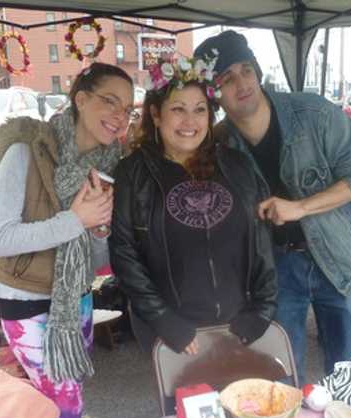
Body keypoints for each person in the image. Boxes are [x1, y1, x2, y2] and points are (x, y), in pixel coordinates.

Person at [195, 31, 351, 385]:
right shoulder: (219, 144)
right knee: (280, 377)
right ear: (214, 94)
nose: (241, 83)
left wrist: (301, 207)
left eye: (246, 70)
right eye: (226, 79)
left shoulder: (314, 114)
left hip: (336, 261)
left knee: (346, 376)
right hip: (277, 270)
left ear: (258, 71)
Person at [0, 63, 134, 418]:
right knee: (64, 402)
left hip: (77, 298)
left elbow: (95, 258)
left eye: (128, 109)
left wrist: (100, 231)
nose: (119, 116)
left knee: (62, 396)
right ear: (81, 99)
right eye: (110, 101)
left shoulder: (105, 166)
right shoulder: (25, 152)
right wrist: (76, 220)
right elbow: (0, 239)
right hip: (26, 300)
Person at [109, 55, 276, 355]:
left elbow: (262, 243)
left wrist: (263, 310)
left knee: (245, 400)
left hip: (239, 324)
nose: (190, 122)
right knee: (186, 402)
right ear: (156, 115)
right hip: (175, 333)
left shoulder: (235, 166)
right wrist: (163, 319)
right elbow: (124, 254)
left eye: (200, 110)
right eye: (178, 109)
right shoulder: (133, 173)